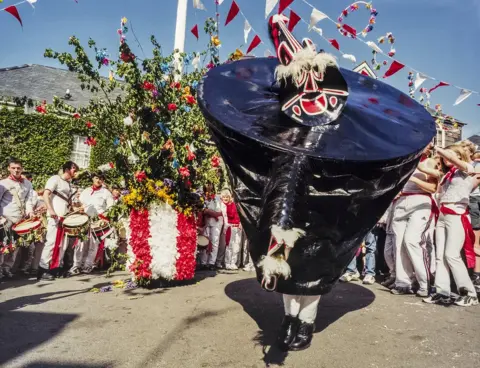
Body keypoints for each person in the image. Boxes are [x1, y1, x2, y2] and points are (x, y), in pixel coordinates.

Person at [198, 14, 436, 351]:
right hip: (292, 210)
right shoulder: (289, 135)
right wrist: (280, 221)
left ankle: (303, 323)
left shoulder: (338, 131)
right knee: (287, 267)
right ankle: (289, 320)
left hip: (326, 215)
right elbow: (285, 181)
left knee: (313, 269)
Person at [424, 146, 479, 306]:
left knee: (452, 255)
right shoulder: (446, 174)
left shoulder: (467, 168)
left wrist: (435, 147)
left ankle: (469, 293)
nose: (446, 158)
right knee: (440, 255)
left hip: (457, 213)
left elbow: (454, 159)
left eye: (450, 154)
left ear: (459, 155)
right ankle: (442, 292)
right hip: (443, 214)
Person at [390, 156, 442, 297]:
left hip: (420, 202)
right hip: (401, 202)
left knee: (412, 241)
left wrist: (412, 178)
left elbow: (432, 188)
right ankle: (403, 283)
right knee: (399, 244)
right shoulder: (402, 161)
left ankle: (424, 283)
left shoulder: (429, 162)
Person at [38, 161, 79, 280]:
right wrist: (50, 210)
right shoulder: (55, 178)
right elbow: (46, 194)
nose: (75, 172)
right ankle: (43, 269)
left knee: (62, 244)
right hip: (54, 216)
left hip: (64, 217)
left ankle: (55, 268)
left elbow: (68, 202)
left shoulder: (69, 184)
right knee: (51, 242)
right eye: (74, 169)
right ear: (67, 169)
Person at [71, 172, 114, 275]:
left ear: (103, 180)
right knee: (80, 244)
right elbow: (79, 204)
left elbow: (111, 207)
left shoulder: (106, 192)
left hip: (97, 221)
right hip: (84, 220)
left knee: (93, 245)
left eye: (101, 179)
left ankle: (88, 265)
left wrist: (103, 217)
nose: (98, 180)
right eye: (96, 178)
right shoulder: (86, 191)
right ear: (92, 179)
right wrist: (77, 207)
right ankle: (76, 265)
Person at [0, 159, 34, 278]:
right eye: (13, 168)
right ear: (9, 168)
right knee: (3, 246)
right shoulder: (3, 183)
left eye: (18, 168)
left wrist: (30, 212)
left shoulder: (27, 184)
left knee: (15, 247)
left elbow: (28, 200)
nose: (16, 170)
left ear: (22, 169)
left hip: (20, 220)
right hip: (5, 219)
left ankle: (7, 269)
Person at [198, 182, 223, 271]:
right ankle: (203, 262)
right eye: (207, 184)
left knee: (214, 242)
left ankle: (212, 262)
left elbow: (220, 212)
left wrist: (209, 212)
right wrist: (207, 211)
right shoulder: (202, 197)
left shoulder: (217, 198)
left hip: (216, 222)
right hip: (206, 222)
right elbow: (201, 210)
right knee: (205, 241)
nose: (209, 186)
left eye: (210, 184)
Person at [220, 188, 242, 270]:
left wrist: (240, 223)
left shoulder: (234, 204)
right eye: (224, 197)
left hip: (238, 227)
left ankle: (233, 262)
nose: (226, 198)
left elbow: (238, 215)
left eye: (227, 197)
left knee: (237, 246)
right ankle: (227, 262)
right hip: (230, 227)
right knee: (229, 246)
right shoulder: (224, 206)